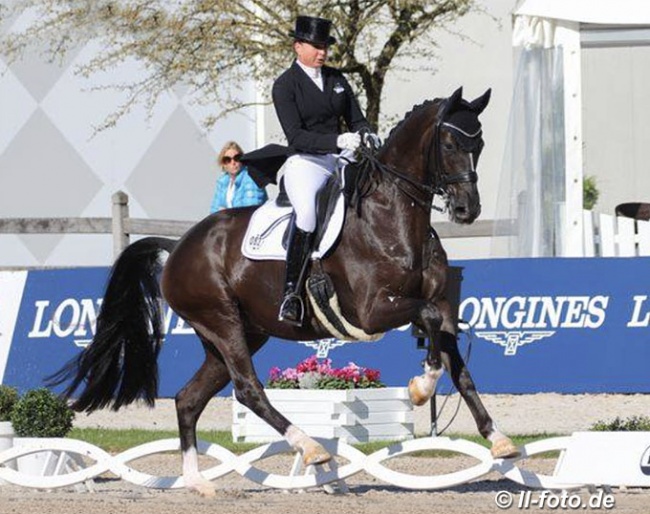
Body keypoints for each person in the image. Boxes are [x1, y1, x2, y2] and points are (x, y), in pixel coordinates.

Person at [266, 15, 380, 326]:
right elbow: (296, 136)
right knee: (307, 215)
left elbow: (356, 119)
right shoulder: (285, 86)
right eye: (316, 46)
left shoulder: (337, 79)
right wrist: (336, 139)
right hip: (307, 162)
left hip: (341, 158)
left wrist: (367, 132)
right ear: (298, 46)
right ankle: (290, 294)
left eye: (325, 47)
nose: (322, 52)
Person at [210, 141, 268, 214]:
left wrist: (227, 213)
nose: (233, 162)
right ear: (223, 164)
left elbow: (249, 212)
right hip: (230, 223)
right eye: (227, 160)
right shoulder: (223, 182)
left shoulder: (251, 178)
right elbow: (214, 212)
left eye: (237, 158)